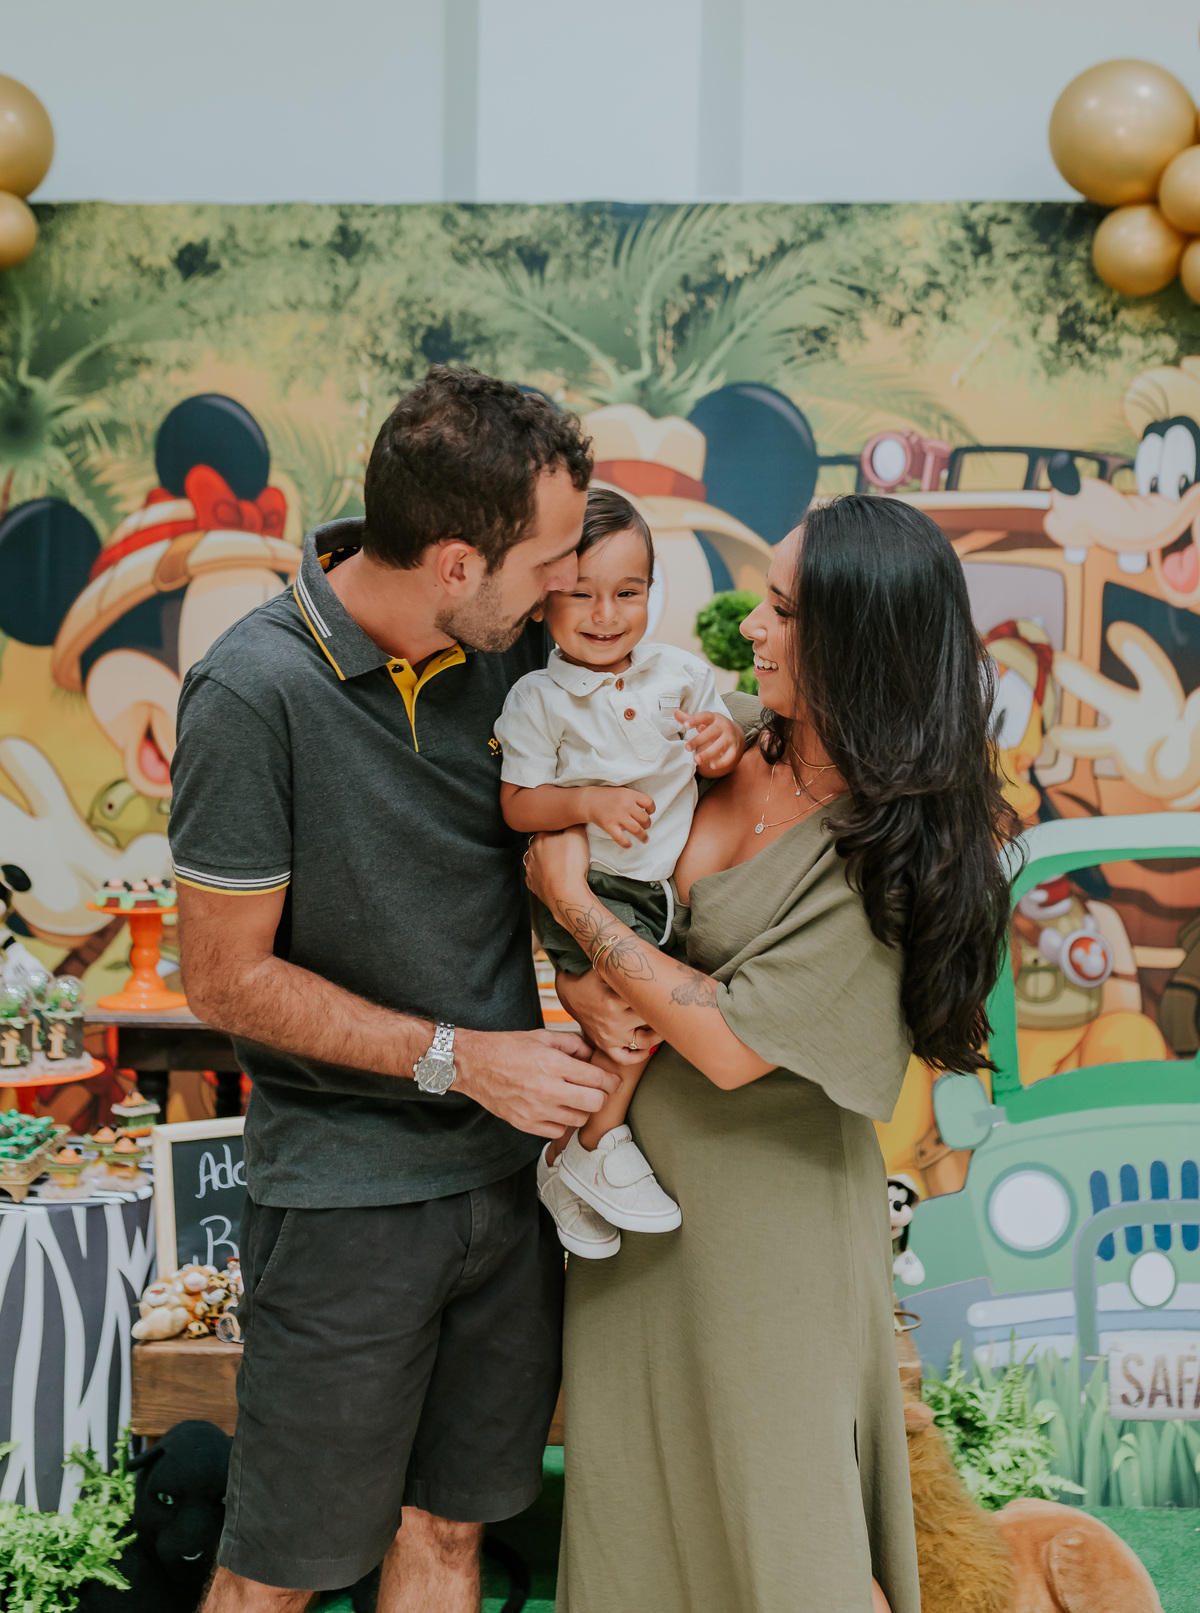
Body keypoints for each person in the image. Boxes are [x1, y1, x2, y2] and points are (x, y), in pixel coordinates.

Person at [170, 367, 621, 1613]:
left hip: (504, 1189)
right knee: (281, 1573)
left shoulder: (513, 658)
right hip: (345, 1201)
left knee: (451, 1533)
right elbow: (223, 977)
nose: (567, 591)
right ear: (458, 563)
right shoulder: (252, 693)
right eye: (547, 566)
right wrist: (460, 1057)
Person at [525, 495, 1015, 1613]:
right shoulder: (712, 733)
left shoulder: (894, 849)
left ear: (855, 642)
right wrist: (581, 968)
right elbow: (595, 898)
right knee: (638, 1527)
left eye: (784, 610)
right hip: (635, 1222)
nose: (751, 624)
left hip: (774, 1234)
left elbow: (731, 1042)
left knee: (791, 1536)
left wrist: (577, 915)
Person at [494, 485, 745, 1256]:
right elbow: (516, 806)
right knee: (639, 1026)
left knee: (647, 1020)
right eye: (582, 595)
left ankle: (573, 1162)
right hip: (596, 888)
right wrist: (589, 801)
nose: (606, 615)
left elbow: (723, 742)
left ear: (650, 592)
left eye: (627, 593)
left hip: (662, 894)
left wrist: (721, 743)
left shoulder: (682, 675)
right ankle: (593, 1147)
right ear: (542, 603)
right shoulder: (540, 698)